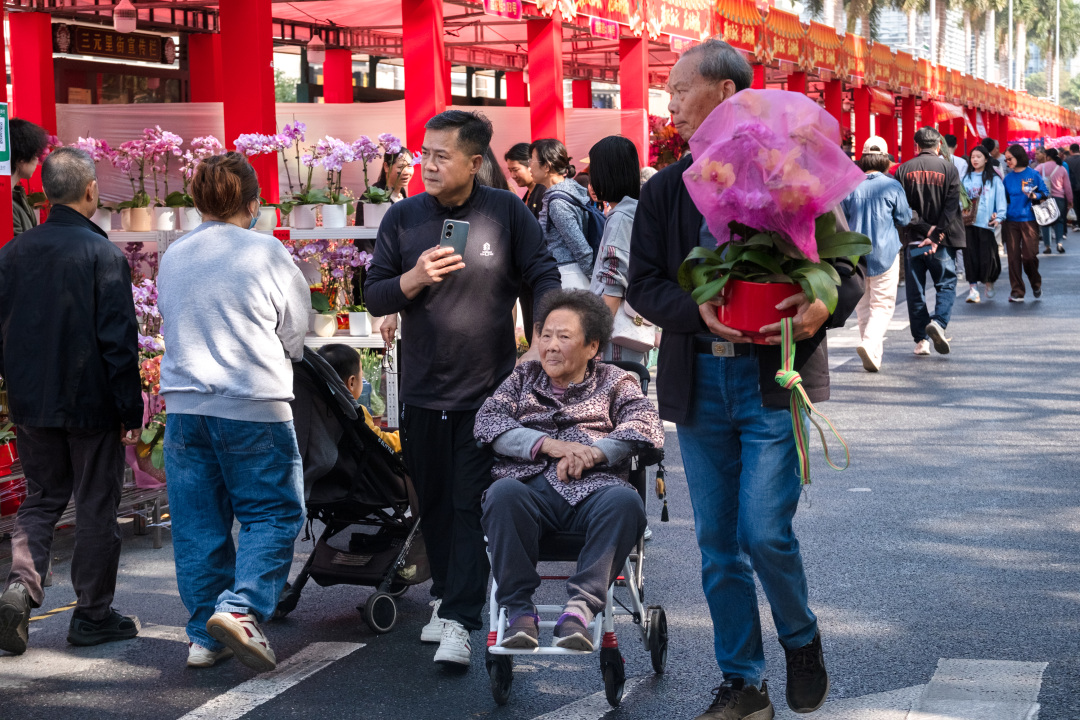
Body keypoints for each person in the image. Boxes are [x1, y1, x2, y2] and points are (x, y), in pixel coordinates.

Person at [628, 39, 864, 720]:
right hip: (700, 383)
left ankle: (801, 638)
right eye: (669, 91)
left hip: (773, 380)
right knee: (717, 548)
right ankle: (744, 683)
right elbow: (643, 283)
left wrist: (820, 302)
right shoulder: (666, 188)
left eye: (680, 89)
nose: (670, 103)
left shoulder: (794, 172)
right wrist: (696, 311)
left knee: (764, 532)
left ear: (726, 93)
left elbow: (848, 272)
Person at [365, 110, 561, 667]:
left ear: (475, 162)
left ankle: (460, 620)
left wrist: (540, 339)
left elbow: (543, 273)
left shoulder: (505, 212)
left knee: (469, 504)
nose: (427, 165)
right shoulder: (402, 217)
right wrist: (414, 278)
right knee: (434, 507)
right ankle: (447, 597)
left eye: (440, 156)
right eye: (424, 154)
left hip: (487, 394)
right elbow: (375, 293)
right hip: (422, 391)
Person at [157, 152, 310, 672]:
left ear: (197, 200)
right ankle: (241, 609)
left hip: (184, 407)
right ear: (253, 202)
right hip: (253, 404)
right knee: (273, 512)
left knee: (198, 523)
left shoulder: (175, 254)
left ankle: (205, 635)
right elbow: (295, 330)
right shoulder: (266, 250)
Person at [0, 148, 143, 655]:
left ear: (45, 194)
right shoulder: (102, 254)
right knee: (96, 503)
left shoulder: (11, 253)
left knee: (42, 498)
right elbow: (119, 342)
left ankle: (20, 588)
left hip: (31, 401)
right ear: (90, 190)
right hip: (91, 403)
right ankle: (92, 616)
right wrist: (131, 409)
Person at [476, 290, 662, 651]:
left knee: (626, 502)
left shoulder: (615, 381)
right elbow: (487, 421)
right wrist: (548, 445)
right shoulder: (522, 377)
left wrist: (593, 453)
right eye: (545, 335)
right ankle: (519, 612)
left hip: (596, 491)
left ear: (592, 346)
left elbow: (646, 425)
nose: (550, 346)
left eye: (564, 337)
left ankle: (579, 610)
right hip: (528, 490)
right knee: (502, 494)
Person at [840, 136, 913, 373]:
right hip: (885, 252)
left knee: (863, 306)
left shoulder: (850, 185)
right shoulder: (892, 186)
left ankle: (874, 354)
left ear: (863, 159)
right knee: (882, 305)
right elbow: (904, 218)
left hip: (855, 254)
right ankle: (870, 344)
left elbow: (842, 218)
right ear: (885, 159)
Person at [894, 126, 965, 356]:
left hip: (915, 243)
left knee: (915, 290)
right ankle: (939, 323)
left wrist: (925, 229)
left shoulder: (903, 170)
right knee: (945, 283)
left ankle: (921, 341)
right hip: (941, 244)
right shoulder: (949, 169)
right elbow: (951, 207)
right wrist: (935, 234)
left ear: (916, 146)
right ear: (938, 145)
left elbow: (903, 209)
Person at [586, 136, 646, 364]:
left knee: (615, 383)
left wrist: (595, 338)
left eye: (594, 170)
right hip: (627, 328)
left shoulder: (620, 217)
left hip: (614, 334)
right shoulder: (634, 210)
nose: (592, 179)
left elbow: (613, 284)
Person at [531, 138, 594, 289]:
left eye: (531, 160)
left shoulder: (558, 203)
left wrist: (595, 280)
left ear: (546, 166)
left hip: (569, 277)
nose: (529, 167)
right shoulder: (569, 189)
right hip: (573, 275)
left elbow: (581, 248)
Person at [316, 343, 401, 453]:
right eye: (361, 376)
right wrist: (404, 438)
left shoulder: (315, 410)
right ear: (351, 382)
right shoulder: (357, 414)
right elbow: (380, 441)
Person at [1001, 144, 1049, 302]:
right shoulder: (1007, 178)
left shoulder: (1033, 174)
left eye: (1010, 159)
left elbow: (1045, 192)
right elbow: (1003, 200)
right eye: (1006, 159)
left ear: (1018, 157)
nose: (1007, 162)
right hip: (1011, 221)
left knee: (1029, 257)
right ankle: (1017, 291)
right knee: (1013, 258)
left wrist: (1035, 196)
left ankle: (1035, 283)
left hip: (1029, 219)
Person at [960, 146, 1007, 303]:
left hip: (986, 224)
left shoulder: (994, 179)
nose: (975, 159)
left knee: (988, 257)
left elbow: (1000, 199)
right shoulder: (965, 179)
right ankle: (973, 289)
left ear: (986, 159)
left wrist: (999, 216)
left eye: (978, 156)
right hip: (968, 223)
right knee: (970, 257)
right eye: (973, 156)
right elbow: (959, 200)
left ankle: (989, 282)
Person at [8, 118, 49, 237]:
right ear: (21, 157)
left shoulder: (16, 197)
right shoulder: (7, 204)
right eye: (35, 154)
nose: (37, 161)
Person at [356, 147, 415, 227]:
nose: (406, 172)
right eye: (400, 167)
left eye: (410, 166)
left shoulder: (403, 194)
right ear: (386, 167)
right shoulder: (372, 195)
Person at [1036, 147, 1070, 254]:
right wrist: (1070, 200)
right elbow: (1067, 187)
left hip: (1045, 198)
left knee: (1046, 221)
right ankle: (1059, 244)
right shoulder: (1062, 168)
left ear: (1047, 156)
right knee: (1059, 220)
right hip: (1059, 198)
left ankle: (1047, 247)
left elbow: (1032, 178)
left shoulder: (1041, 167)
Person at [505, 142, 546, 220]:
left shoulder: (544, 193)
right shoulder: (528, 194)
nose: (512, 176)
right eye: (510, 170)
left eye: (515, 170)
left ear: (531, 165)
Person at [1064, 143, 1080, 229]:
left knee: (1073, 205)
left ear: (1070, 151)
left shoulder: (1067, 161)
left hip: (1072, 186)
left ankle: (1075, 223)